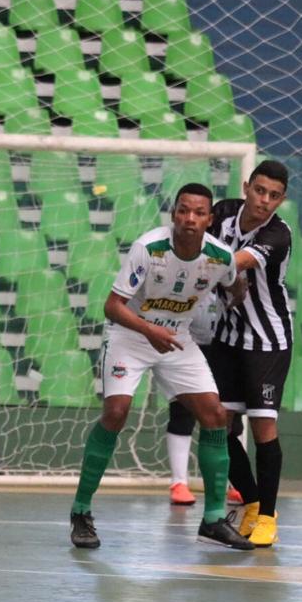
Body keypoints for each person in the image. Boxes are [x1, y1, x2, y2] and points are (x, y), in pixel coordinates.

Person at [69, 183, 253, 551]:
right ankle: (81, 511)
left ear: (209, 219)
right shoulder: (148, 248)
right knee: (116, 412)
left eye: (199, 213)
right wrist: (148, 329)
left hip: (177, 339)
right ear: (174, 215)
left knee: (216, 416)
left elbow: (237, 284)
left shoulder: (219, 257)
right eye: (184, 210)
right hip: (130, 334)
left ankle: (214, 519)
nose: (190, 218)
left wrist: (227, 303)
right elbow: (112, 306)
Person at [205, 160, 294, 547]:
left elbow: (236, 262)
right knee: (217, 421)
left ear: (281, 199)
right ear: (246, 187)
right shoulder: (222, 213)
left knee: (263, 428)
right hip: (227, 337)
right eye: (259, 191)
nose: (264, 201)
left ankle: (269, 517)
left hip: (267, 340)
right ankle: (253, 503)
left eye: (274, 196)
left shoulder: (278, 234)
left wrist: (206, 268)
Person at [164, 293, 244, 507]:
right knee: (182, 411)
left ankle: (234, 483)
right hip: (188, 344)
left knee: (229, 417)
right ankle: (179, 483)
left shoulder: (230, 278)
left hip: (227, 346)